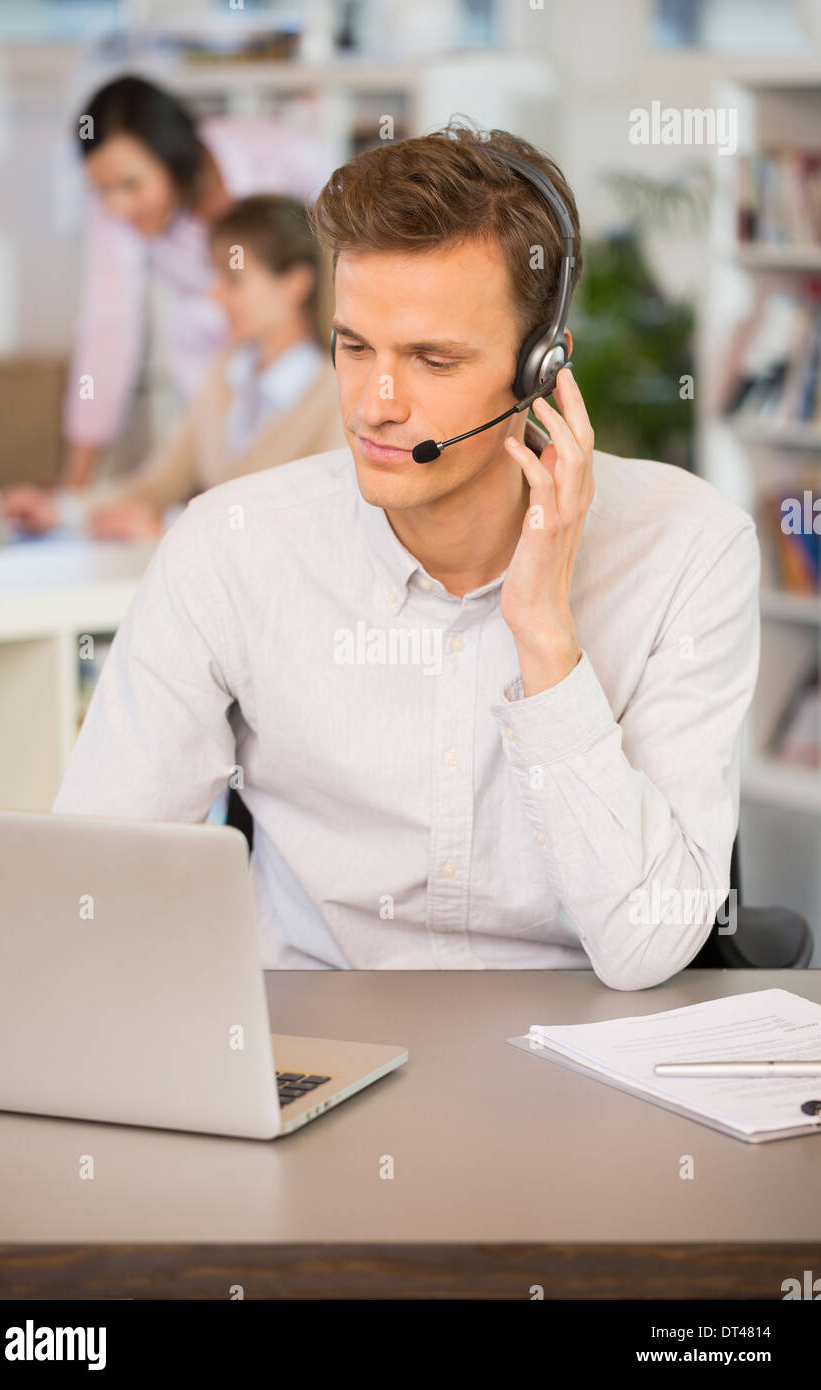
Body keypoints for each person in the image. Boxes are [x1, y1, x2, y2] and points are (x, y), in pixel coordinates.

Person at [52, 122, 760, 991]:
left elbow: (645, 948)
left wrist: (542, 633)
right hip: (311, 1051)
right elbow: (91, 882)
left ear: (542, 370)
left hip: (585, 1054)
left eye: (432, 358)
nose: (376, 405)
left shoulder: (689, 548)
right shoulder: (229, 548)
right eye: (355, 348)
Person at [1, 195, 345, 539]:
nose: (215, 296)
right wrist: (60, 510)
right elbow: (154, 487)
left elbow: (317, 523)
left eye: (233, 281)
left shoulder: (336, 397)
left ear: (295, 284)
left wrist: (169, 528)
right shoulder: (225, 376)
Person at [53, 74, 333, 491]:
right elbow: (108, 329)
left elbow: (346, 261)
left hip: (308, 360)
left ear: (176, 159)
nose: (117, 206)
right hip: (227, 377)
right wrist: (69, 497)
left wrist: (341, 365)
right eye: (102, 189)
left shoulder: (287, 159)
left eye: (131, 184)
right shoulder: (220, 379)